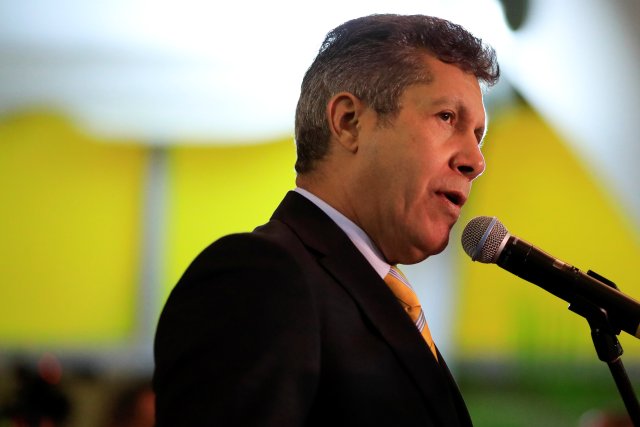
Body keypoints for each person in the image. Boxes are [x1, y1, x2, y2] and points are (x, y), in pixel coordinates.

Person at [153, 13, 499, 426]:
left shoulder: (376, 295)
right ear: (349, 122)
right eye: (447, 118)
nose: (475, 162)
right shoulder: (258, 279)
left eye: (477, 135)